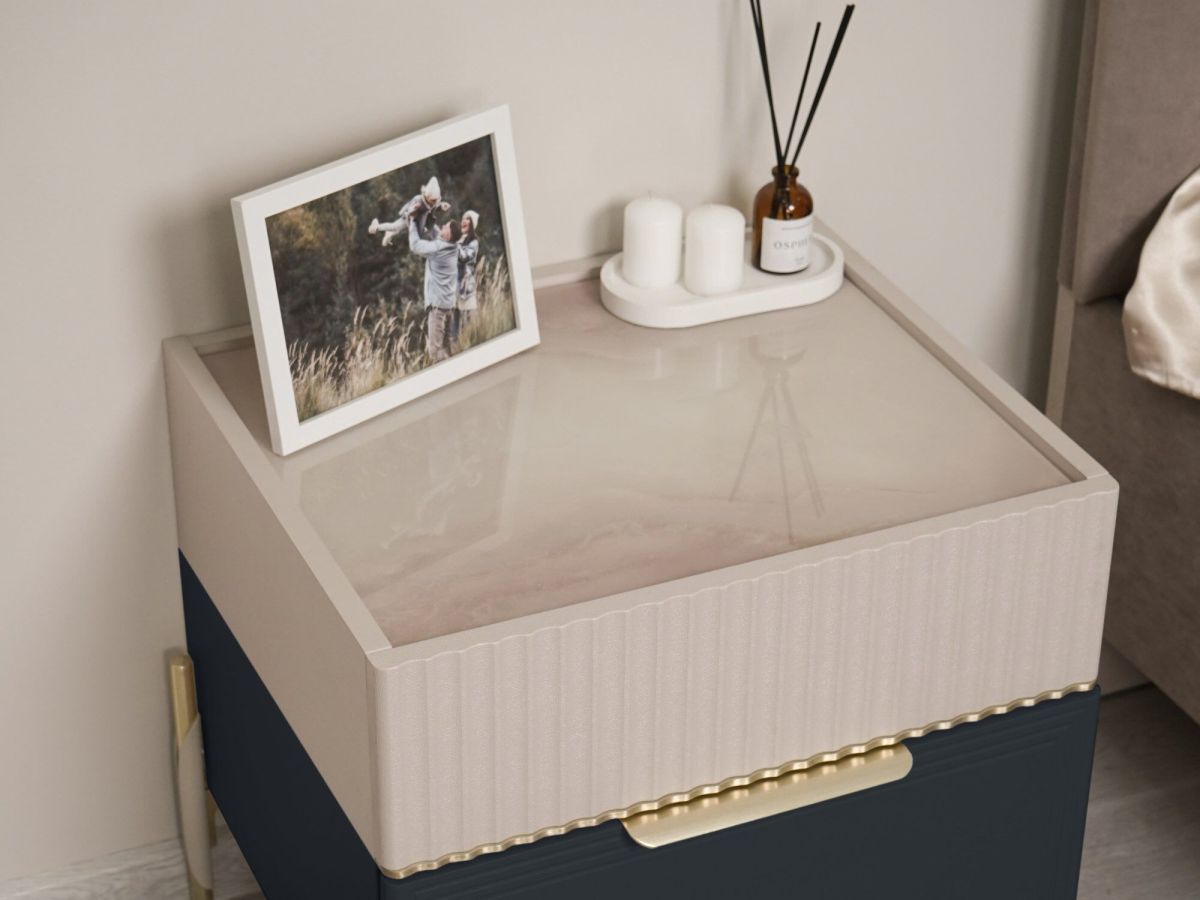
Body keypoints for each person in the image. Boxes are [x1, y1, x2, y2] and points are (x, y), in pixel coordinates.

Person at [408, 216, 462, 363]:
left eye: (446, 226)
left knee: (435, 352)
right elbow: (437, 233)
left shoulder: (438, 249)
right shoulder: (454, 247)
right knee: (448, 351)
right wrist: (428, 216)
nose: (442, 226)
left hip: (438, 310)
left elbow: (415, 245)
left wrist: (413, 222)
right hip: (448, 306)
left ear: (448, 235)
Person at [369, 177, 451, 246]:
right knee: (395, 226)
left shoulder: (431, 203)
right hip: (409, 219)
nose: (434, 202)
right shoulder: (418, 200)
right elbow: (409, 210)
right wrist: (413, 209)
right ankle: (377, 227)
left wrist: (441, 207)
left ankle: (444, 243)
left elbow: (434, 207)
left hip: (422, 221)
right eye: (433, 200)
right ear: (427, 196)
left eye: (436, 200)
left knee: (433, 230)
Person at [452, 210, 480, 352]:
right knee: (454, 331)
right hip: (454, 290)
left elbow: (464, 257)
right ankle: (457, 353)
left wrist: (454, 243)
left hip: (466, 290)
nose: (464, 220)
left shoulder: (473, 242)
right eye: (463, 218)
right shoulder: (458, 240)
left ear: (472, 224)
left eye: (468, 219)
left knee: (470, 327)